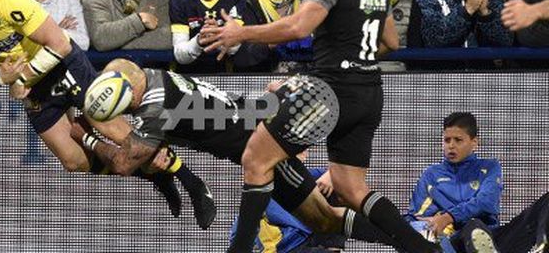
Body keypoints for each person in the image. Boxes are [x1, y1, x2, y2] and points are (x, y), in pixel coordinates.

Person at [202, 0, 440, 253]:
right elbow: (391, 42)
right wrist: (357, 58)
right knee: (351, 188)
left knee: (255, 159)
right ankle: (422, 248)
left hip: (331, 92)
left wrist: (241, 32)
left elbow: (298, 27)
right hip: (369, 93)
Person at [0, 0, 213, 228]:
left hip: (60, 64)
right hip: (29, 83)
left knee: (117, 131)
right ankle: (154, 174)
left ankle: (192, 182)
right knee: (74, 161)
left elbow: (60, 44)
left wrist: (21, 77)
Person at [78, 58, 414, 251]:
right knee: (321, 217)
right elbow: (115, 70)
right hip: (257, 113)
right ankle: (412, 239)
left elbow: (123, 164)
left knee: (324, 215)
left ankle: (414, 238)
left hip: (262, 138)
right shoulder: (136, 73)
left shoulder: (154, 116)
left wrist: (88, 139)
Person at [405, 112, 549, 253]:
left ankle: (544, 247)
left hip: (494, 239)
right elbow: (416, 218)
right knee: (459, 230)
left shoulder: (490, 167)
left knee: (546, 201)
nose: (451, 146)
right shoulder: (431, 175)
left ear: (475, 143)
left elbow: (486, 202)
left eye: (458, 140)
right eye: (447, 140)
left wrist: (447, 217)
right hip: (453, 243)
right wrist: (429, 227)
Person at [233, 0, 310, 73]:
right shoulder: (247, 5)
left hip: (303, 78)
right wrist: (271, 42)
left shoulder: (308, 4)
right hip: (257, 78)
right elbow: (240, 56)